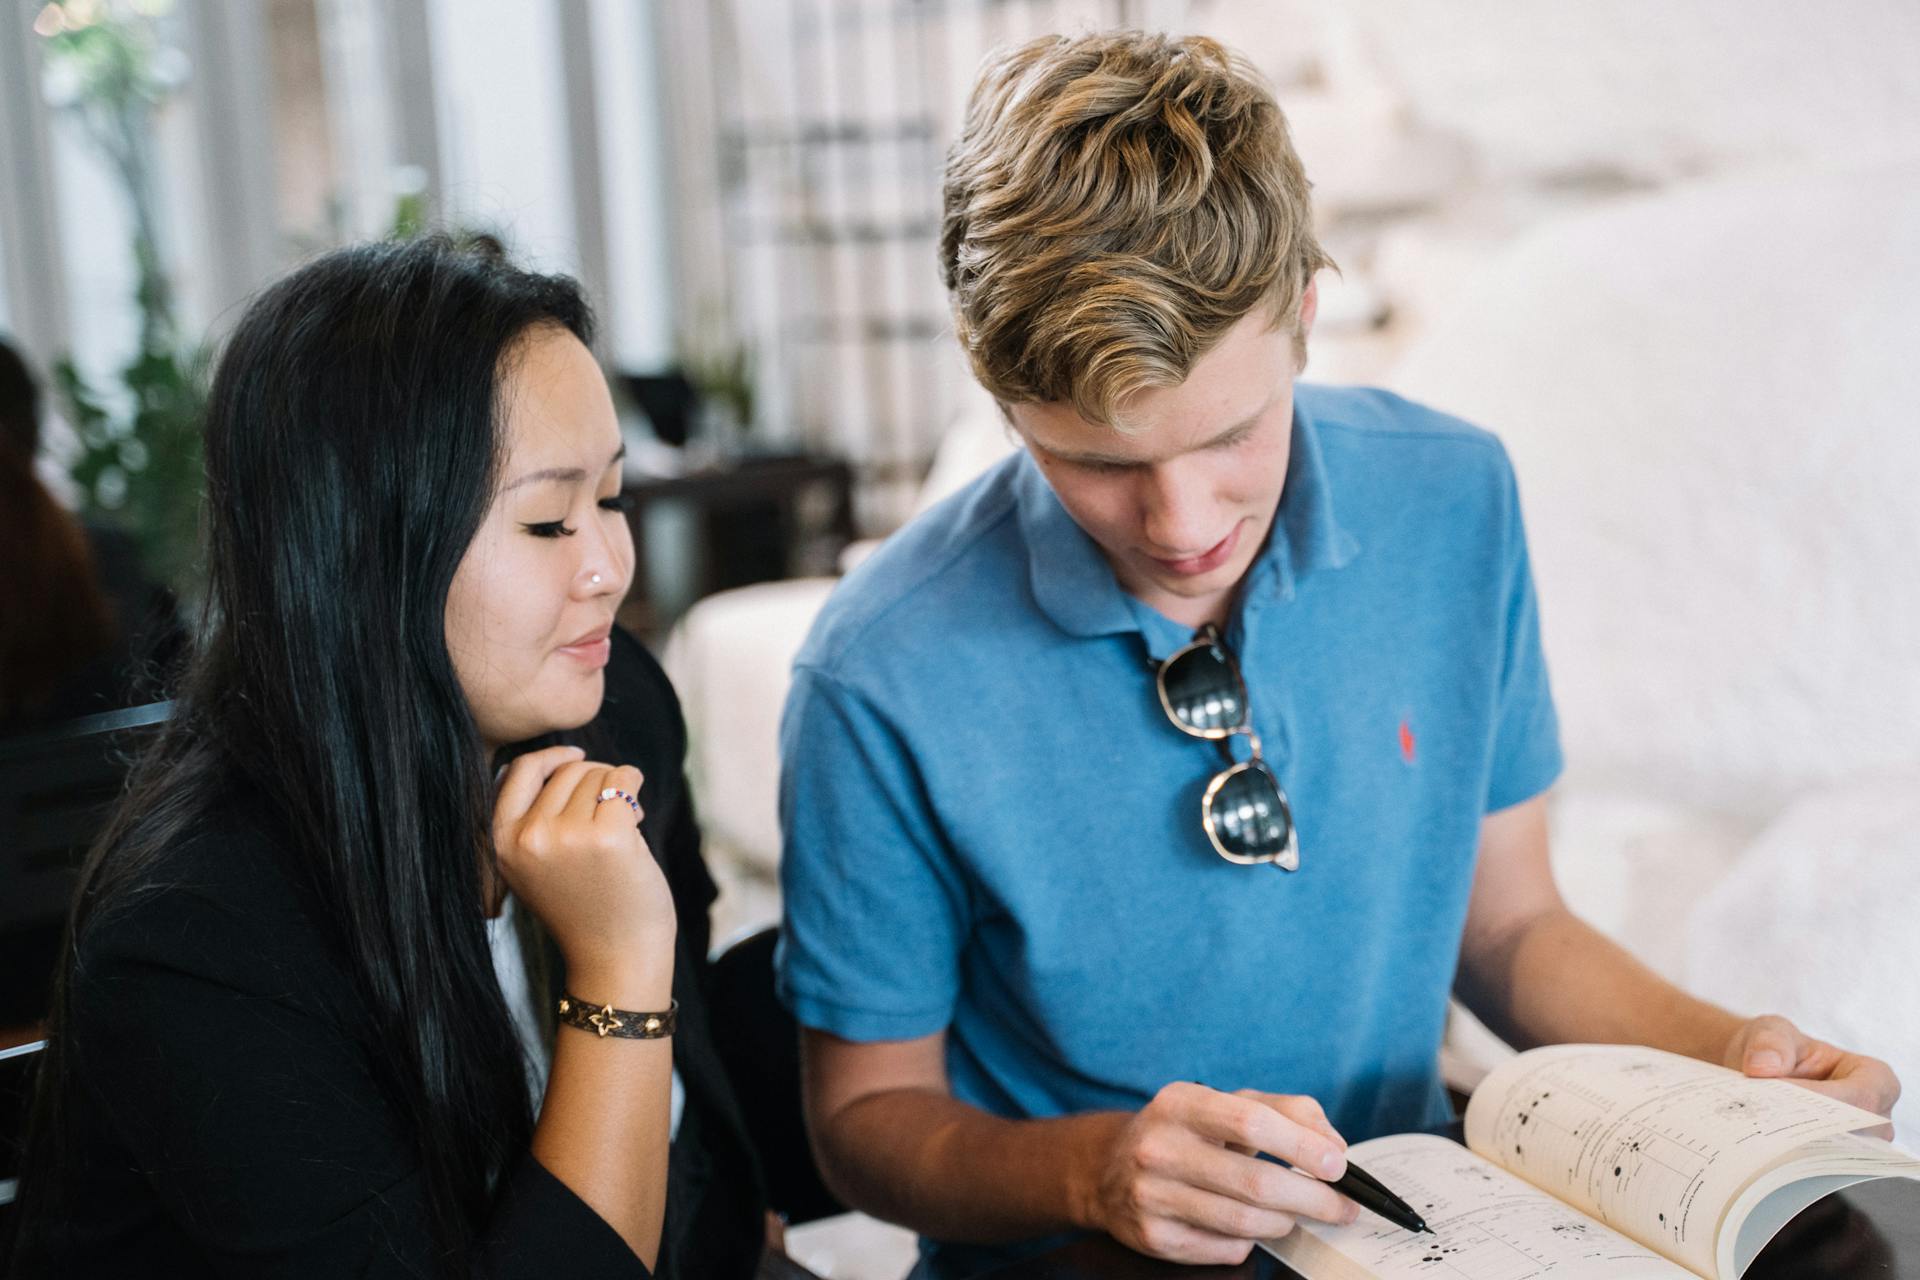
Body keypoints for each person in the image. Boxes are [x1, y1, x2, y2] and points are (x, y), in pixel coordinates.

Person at [773, 31, 1902, 1278]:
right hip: (1081, 1252)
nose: (1183, 525)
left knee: (1839, 1251)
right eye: (1096, 462)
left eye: (1233, 434)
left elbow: (1513, 927)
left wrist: (1736, 1060)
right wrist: (1095, 1172)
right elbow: (863, 1124)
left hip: (1417, 1224)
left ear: (1305, 314)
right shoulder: (875, 671)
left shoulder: (1453, 495)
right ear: (1000, 395)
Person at [8, 237, 765, 1277]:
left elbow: (706, 1112)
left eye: (613, 498)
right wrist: (620, 970)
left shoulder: (617, 705)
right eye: (548, 520)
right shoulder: (197, 937)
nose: (608, 565)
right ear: (366, 553)